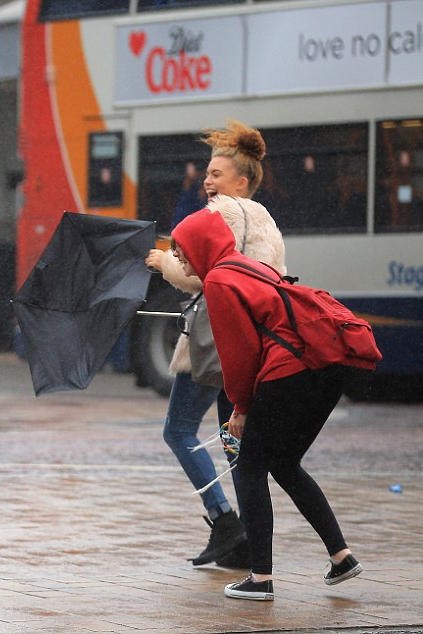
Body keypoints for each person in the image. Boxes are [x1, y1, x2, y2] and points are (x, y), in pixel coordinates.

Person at [169, 208, 364, 601]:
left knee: (249, 467)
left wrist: (239, 409)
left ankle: (260, 578)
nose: (180, 259)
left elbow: (240, 354)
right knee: (284, 463)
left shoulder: (220, 281)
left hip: (291, 370)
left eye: (182, 250)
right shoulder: (244, 266)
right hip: (324, 366)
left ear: (200, 245)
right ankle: (341, 557)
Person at [144, 120, 285, 569]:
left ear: (240, 182)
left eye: (216, 175)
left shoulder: (220, 213)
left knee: (179, 430)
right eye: (207, 174)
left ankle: (224, 520)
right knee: (234, 442)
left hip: (214, 342)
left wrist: (163, 260)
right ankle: (246, 545)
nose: (207, 181)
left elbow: (198, 274)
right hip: (254, 345)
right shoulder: (268, 221)